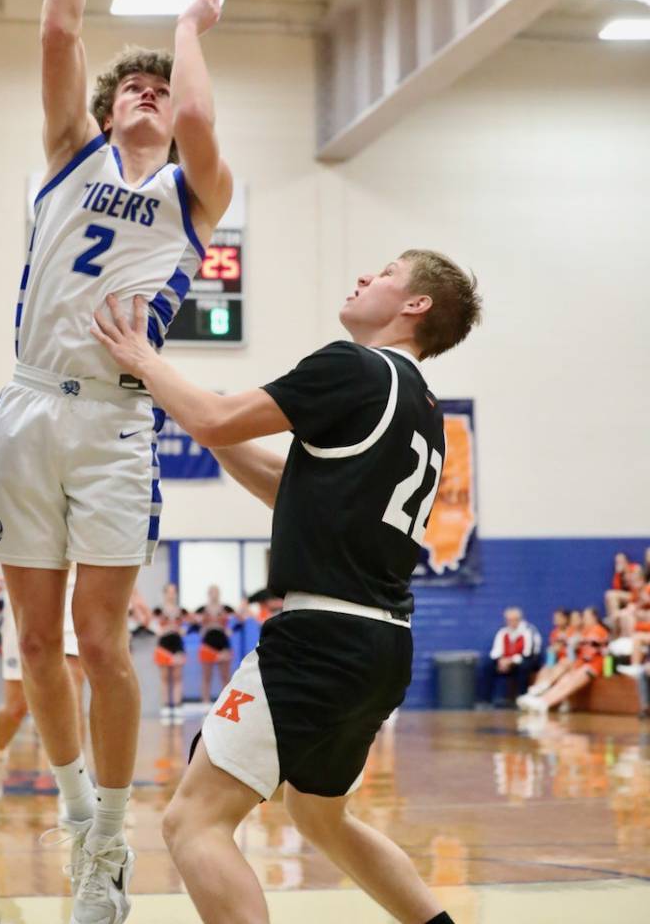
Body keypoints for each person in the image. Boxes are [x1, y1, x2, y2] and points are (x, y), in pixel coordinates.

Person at [0, 0, 233, 924]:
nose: (145, 95)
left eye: (158, 91)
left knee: (99, 637)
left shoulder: (190, 193)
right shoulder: (71, 158)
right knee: (31, 641)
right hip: (29, 403)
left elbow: (204, 122)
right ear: (104, 108)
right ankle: (79, 814)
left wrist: (187, 30)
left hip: (115, 417)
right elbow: (54, 38)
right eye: (131, 85)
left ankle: (111, 842)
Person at [92, 247, 482, 924]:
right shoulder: (422, 406)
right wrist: (198, 418)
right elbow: (290, 489)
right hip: (383, 642)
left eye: (387, 273)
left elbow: (217, 418)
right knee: (321, 817)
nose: (364, 274)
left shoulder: (353, 365)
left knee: (193, 820)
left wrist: (145, 361)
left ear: (416, 305)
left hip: (321, 637)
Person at [0, 560, 86, 806]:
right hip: (25, 588)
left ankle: (73, 797)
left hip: (73, 585)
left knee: (72, 682)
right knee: (17, 707)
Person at [517, 607, 609, 715]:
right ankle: (541, 698)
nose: (584, 619)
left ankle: (545, 702)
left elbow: (590, 653)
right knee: (564, 680)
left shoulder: (597, 630)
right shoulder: (584, 631)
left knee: (570, 681)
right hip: (582, 664)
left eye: (586, 616)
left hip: (593, 666)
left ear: (594, 618)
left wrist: (577, 646)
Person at [479, 607, 536, 705]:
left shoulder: (527, 632)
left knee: (524, 667)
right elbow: (496, 651)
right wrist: (500, 660)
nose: (511, 622)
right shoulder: (502, 632)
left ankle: (520, 699)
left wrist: (511, 661)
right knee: (487, 666)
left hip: (520, 663)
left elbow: (527, 653)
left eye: (514, 619)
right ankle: (485, 700)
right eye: (509, 620)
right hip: (504, 662)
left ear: (519, 619)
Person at [152, 582, 189, 723]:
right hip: (164, 644)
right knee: (165, 677)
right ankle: (166, 708)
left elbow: (187, 627)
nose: (172, 594)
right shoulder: (159, 610)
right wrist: (164, 629)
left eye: (174, 592)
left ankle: (177, 707)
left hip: (177, 643)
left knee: (177, 676)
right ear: (165, 593)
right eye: (169, 592)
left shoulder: (181, 611)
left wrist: (179, 629)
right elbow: (153, 626)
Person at [195, 584, 235, 705]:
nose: (214, 594)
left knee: (225, 675)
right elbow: (196, 625)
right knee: (207, 675)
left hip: (222, 641)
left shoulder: (226, 609)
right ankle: (205, 702)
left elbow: (237, 621)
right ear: (208, 593)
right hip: (208, 641)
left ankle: (226, 702)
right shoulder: (202, 610)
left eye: (216, 591)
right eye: (212, 592)